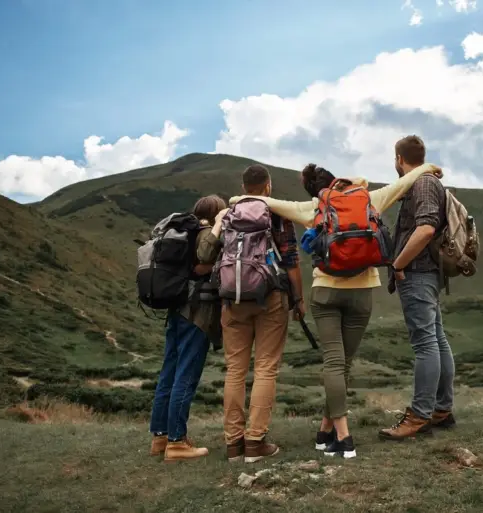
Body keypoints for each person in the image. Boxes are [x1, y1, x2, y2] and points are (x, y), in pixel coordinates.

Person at [230, 161, 442, 458]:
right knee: (344, 365)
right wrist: (428, 167)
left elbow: (269, 202)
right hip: (362, 292)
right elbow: (402, 184)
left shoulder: (314, 208)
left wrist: (237, 200)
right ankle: (327, 431)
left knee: (333, 363)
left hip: (326, 291)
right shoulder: (368, 198)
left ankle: (339, 433)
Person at [222, 164, 304, 463]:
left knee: (235, 370)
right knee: (266, 368)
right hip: (271, 296)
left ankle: (233, 444)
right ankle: (255, 442)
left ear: (243, 187)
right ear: (267, 186)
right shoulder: (277, 214)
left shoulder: (228, 214)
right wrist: (299, 299)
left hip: (232, 297)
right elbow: (292, 260)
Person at [379, 135, 456, 441]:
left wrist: (398, 264)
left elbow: (425, 228)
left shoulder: (423, 184)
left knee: (425, 344)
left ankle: (420, 415)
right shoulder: (424, 182)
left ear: (399, 158)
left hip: (418, 272)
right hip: (428, 272)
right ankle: (441, 409)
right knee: (436, 340)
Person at [149, 194, 228, 461]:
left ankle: (160, 437)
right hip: (197, 314)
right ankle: (177, 443)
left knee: (168, 374)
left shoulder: (183, 232)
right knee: (186, 376)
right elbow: (205, 259)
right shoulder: (206, 234)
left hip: (176, 310)